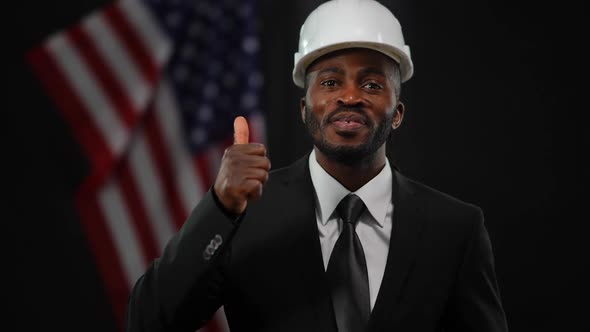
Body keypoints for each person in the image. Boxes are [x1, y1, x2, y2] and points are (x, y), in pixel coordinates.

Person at [125, 0, 509, 331]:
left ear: (398, 113)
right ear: (304, 109)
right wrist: (220, 207)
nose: (350, 97)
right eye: (329, 83)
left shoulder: (455, 229)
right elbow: (148, 321)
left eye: (372, 85)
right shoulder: (244, 214)